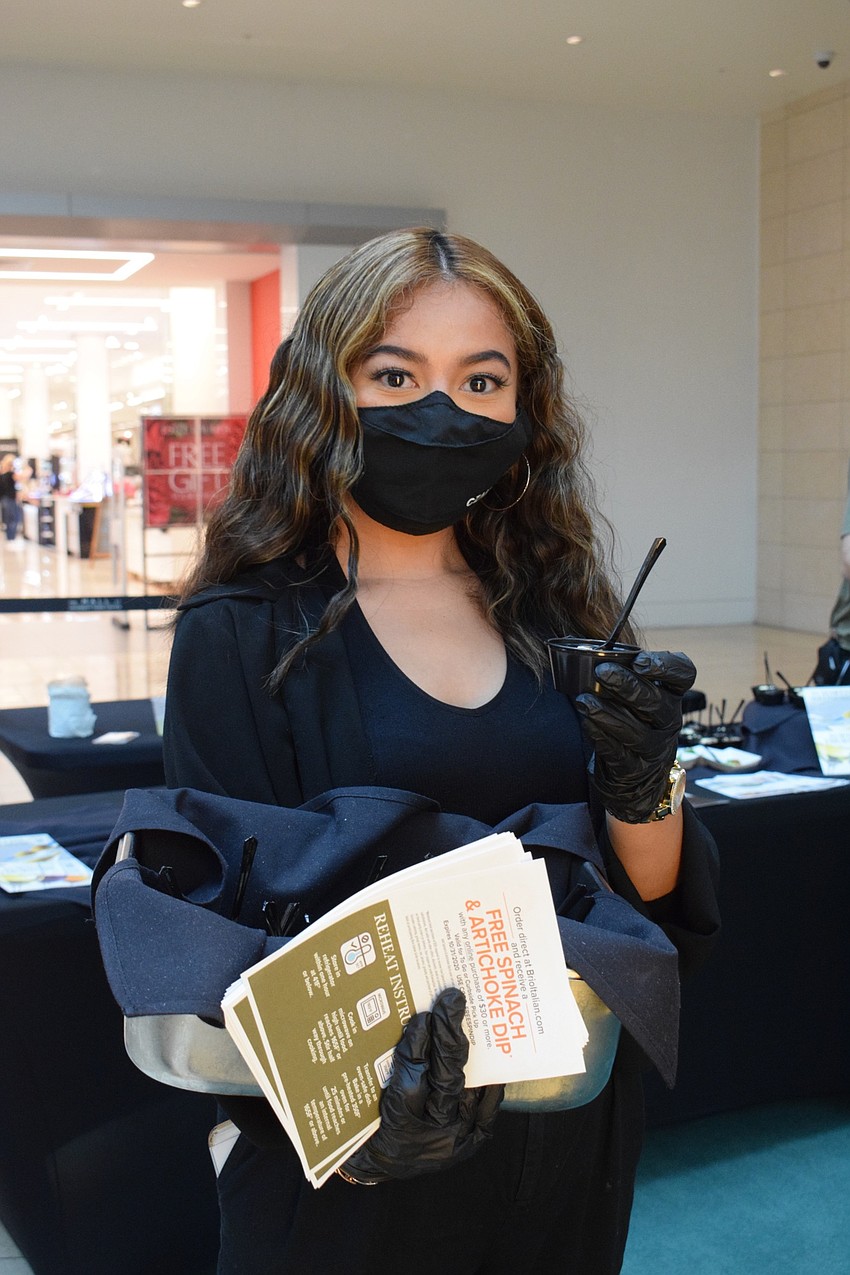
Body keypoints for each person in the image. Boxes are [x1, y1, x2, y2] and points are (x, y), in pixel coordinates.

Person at [163, 228, 719, 1275]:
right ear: (321, 388)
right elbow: (217, 937)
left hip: (562, 1135)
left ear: (523, 409)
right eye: (394, 372)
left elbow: (644, 914)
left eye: (480, 378)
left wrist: (646, 784)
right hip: (346, 1160)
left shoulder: (561, 611)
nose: (441, 409)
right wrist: (370, 1136)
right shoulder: (245, 630)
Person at [0, 455, 21, 543]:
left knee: (9, 519)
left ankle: (10, 537)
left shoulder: (2, 474)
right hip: (9, 499)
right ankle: (11, 538)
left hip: (4, 499)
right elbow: (24, 476)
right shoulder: (10, 474)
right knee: (14, 518)